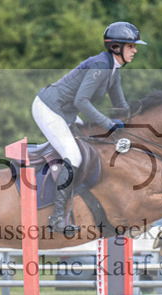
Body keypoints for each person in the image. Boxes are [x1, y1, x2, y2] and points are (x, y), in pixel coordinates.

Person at [32, 21, 146, 234]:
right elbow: (81, 101)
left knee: (90, 145)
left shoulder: (113, 70)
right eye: (131, 46)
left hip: (65, 112)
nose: (135, 50)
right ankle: (57, 218)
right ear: (116, 47)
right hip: (49, 108)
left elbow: (120, 107)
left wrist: (139, 121)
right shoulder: (101, 66)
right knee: (74, 156)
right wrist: (108, 125)